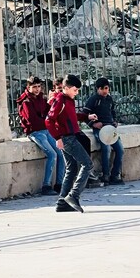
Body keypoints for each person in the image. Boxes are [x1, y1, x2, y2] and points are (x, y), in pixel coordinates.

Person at [46, 74, 95, 213]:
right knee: (87, 164)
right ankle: (73, 195)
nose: (77, 92)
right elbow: (49, 120)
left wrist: (86, 116)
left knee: (71, 168)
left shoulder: (67, 100)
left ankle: (62, 202)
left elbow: (71, 116)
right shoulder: (60, 100)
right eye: (75, 89)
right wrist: (57, 138)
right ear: (66, 88)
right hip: (67, 138)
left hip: (69, 137)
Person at [17, 76, 63, 196]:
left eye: (39, 86)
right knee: (52, 154)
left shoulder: (41, 99)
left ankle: (60, 183)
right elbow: (32, 120)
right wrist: (47, 120)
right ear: (28, 87)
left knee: (60, 152)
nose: (37, 89)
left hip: (46, 130)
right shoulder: (26, 102)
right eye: (34, 87)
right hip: (35, 132)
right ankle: (46, 185)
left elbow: (50, 112)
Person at [82, 77, 124, 185]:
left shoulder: (109, 99)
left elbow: (113, 112)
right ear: (98, 89)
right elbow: (84, 115)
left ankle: (115, 175)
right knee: (106, 149)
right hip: (100, 130)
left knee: (120, 149)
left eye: (107, 88)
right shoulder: (93, 100)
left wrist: (114, 121)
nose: (105, 91)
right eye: (103, 89)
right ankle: (106, 175)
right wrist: (93, 124)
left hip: (110, 129)